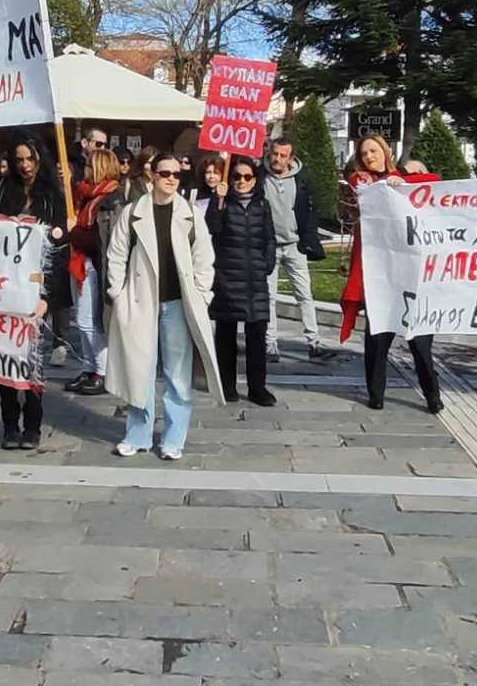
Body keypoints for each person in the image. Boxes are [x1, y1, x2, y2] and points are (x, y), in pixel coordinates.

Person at [105, 151, 225, 460]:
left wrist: (202, 295)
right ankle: (138, 435)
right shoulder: (133, 212)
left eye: (176, 174)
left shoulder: (190, 214)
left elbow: (204, 258)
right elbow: (116, 254)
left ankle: (173, 439)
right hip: (139, 301)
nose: (171, 179)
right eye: (165, 173)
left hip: (178, 304)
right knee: (139, 371)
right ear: (153, 175)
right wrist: (118, 294)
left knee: (178, 376)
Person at [338, 135, 442, 414]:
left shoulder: (404, 181)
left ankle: (432, 394)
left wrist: (403, 180)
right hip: (380, 277)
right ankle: (376, 394)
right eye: (364, 153)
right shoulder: (363, 182)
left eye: (373, 151)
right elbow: (356, 185)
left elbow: (434, 181)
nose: (369, 156)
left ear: (385, 152)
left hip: (410, 276)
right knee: (377, 339)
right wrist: (387, 182)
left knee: (420, 342)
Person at [0, 135, 69, 447]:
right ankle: (10, 424)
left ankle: (33, 424)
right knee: (5, 356)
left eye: (30, 159)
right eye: (19, 159)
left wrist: (47, 296)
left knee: (33, 358)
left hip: (36, 286)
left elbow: (59, 250)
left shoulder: (52, 195)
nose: (25, 166)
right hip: (5, 285)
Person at [205, 155, 278, 406]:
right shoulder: (222, 202)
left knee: (257, 335)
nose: (242, 181)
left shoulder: (262, 205)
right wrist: (217, 200)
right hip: (228, 277)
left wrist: (267, 263)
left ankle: (258, 388)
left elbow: (269, 237)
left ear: (255, 180)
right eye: (236, 176)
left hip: (255, 279)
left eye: (247, 176)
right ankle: (227, 386)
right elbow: (211, 228)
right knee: (226, 336)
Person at [263, 138, 334, 364]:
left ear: (291, 158)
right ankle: (270, 343)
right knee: (268, 297)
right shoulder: (260, 177)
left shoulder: (302, 179)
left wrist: (308, 237)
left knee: (304, 294)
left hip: (295, 245)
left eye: (283, 155)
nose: (277, 159)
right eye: (275, 154)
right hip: (269, 245)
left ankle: (314, 342)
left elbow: (312, 209)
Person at [66, 147, 125, 395]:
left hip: (95, 264)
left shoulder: (111, 199)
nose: (86, 170)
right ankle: (89, 366)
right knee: (82, 319)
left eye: (90, 165)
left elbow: (103, 239)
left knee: (89, 320)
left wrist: (73, 231)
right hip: (80, 261)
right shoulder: (87, 195)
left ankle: (103, 370)